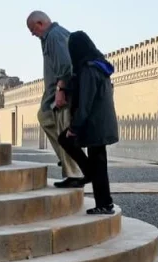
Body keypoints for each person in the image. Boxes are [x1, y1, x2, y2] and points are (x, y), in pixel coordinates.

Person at [57, 30, 118, 215]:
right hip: (101, 123)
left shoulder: (89, 69)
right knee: (99, 163)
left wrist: (74, 128)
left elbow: (85, 102)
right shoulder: (99, 66)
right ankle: (104, 201)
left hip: (95, 124)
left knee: (66, 139)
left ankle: (104, 202)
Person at [25, 11, 85, 188]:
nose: (32, 33)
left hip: (61, 92)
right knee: (45, 117)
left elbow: (66, 65)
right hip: (52, 92)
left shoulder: (54, 36)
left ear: (40, 23)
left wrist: (61, 89)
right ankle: (69, 159)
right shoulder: (51, 37)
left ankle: (75, 171)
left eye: (32, 28)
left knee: (63, 131)